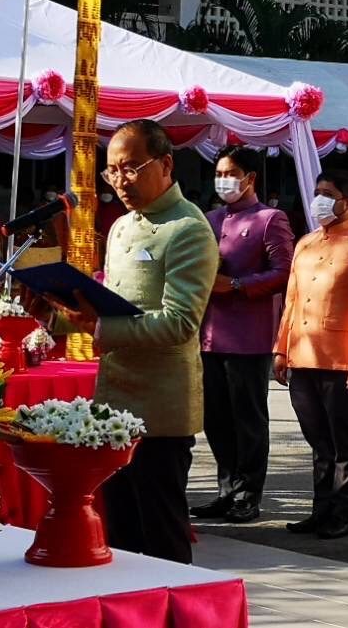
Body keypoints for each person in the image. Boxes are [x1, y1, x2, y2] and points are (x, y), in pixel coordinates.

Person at [68, 119, 218, 564]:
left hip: (159, 408)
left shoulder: (187, 228)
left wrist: (104, 330)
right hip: (115, 402)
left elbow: (180, 322)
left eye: (131, 168)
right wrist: (61, 317)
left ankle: (175, 601)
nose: (120, 180)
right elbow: (111, 308)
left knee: (162, 536)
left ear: (166, 164)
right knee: (122, 536)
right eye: (112, 170)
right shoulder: (120, 227)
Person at [195, 146, 296, 524]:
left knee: (247, 420)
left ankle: (248, 494)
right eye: (219, 173)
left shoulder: (270, 219)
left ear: (250, 178)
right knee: (215, 418)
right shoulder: (208, 219)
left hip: (248, 337)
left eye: (230, 173)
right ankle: (226, 489)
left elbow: (284, 272)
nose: (223, 180)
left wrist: (236, 284)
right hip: (208, 334)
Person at [274, 169, 348, 540]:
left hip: (340, 358)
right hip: (302, 353)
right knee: (318, 439)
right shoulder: (306, 242)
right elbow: (292, 300)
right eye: (318, 192)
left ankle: (343, 512)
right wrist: (281, 349)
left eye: (328, 194)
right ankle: (321, 509)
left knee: (344, 439)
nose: (320, 200)